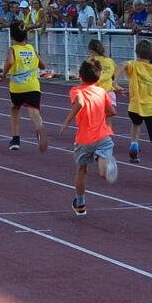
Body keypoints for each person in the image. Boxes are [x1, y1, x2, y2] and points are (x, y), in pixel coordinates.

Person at [60, 59, 119, 216]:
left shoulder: (76, 91)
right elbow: (112, 111)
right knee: (102, 169)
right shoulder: (101, 92)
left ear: (79, 75)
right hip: (103, 136)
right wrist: (99, 113)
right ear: (99, 78)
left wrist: (67, 121)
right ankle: (107, 168)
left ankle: (80, 204)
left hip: (84, 139)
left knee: (81, 170)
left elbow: (79, 103)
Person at [119, 38, 152, 184]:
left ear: (137, 54)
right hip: (151, 108)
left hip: (135, 106)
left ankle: (134, 145)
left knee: (136, 125)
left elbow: (122, 64)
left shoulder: (133, 65)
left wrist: (115, 82)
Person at [0, 21, 50, 153]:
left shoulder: (12, 50)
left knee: (15, 108)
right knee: (34, 113)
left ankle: (15, 138)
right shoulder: (31, 49)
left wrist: (3, 75)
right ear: (26, 36)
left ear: (11, 38)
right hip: (33, 86)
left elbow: (10, 61)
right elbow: (43, 66)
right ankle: (40, 128)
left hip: (17, 87)